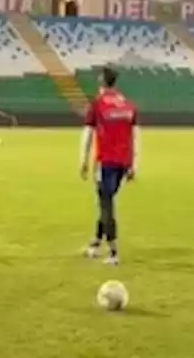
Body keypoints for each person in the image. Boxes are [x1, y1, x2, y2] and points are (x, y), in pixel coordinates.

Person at [80, 66, 139, 266]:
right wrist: (134, 164)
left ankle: (113, 252)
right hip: (124, 162)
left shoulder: (97, 105)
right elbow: (135, 135)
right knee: (107, 199)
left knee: (106, 204)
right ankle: (96, 242)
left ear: (102, 81)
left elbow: (88, 134)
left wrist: (83, 161)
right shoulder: (128, 105)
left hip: (105, 161)